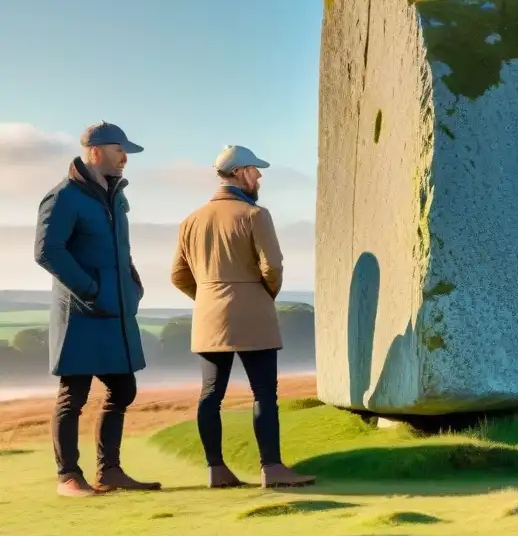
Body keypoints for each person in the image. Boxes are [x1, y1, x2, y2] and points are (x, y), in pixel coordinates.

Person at [170, 145, 314, 489]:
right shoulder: (255, 215)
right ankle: (272, 468)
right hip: (252, 313)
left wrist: (206, 298)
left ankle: (216, 470)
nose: (259, 176)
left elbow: (178, 275)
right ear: (238, 173)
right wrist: (264, 295)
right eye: (254, 169)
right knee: (264, 392)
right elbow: (272, 267)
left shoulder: (190, 220)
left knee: (210, 394)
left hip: (208, 317)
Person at [33, 122, 162, 497]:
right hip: (81, 314)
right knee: (74, 393)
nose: (125, 159)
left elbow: (123, 249)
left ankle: (110, 471)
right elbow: (47, 251)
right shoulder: (63, 197)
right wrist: (90, 289)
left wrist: (132, 284)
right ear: (94, 152)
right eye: (119, 150)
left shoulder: (116, 196)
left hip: (116, 310)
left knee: (123, 388)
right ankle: (68, 477)